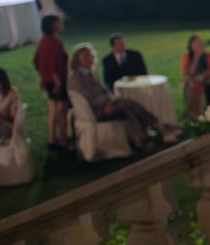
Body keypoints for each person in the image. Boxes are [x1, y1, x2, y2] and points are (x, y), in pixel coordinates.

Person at [69, 44, 168, 148]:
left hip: (106, 105)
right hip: (96, 111)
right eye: (86, 57)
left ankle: (143, 140)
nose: (90, 59)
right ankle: (155, 125)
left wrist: (110, 100)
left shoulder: (91, 73)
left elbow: (104, 91)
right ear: (77, 59)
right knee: (129, 104)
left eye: (91, 56)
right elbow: (87, 100)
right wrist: (106, 104)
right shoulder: (76, 78)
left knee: (129, 111)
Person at [33, 13, 71, 148]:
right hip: (57, 82)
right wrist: (57, 80)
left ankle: (52, 139)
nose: (61, 24)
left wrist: (43, 76)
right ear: (53, 25)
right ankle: (62, 141)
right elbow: (57, 62)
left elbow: (36, 61)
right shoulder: (55, 42)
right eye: (59, 22)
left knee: (53, 110)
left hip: (48, 80)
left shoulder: (43, 40)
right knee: (61, 111)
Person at [179, 34, 210, 121]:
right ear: (190, 46)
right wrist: (197, 57)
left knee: (194, 87)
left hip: (205, 81)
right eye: (195, 43)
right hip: (192, 83)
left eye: (199, 43)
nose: (198, 45)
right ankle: (196, 115)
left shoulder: (207, 55)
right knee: (193, 86)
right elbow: (186, 73)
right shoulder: (186, 56)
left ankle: (189, 112)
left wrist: (202, 76)